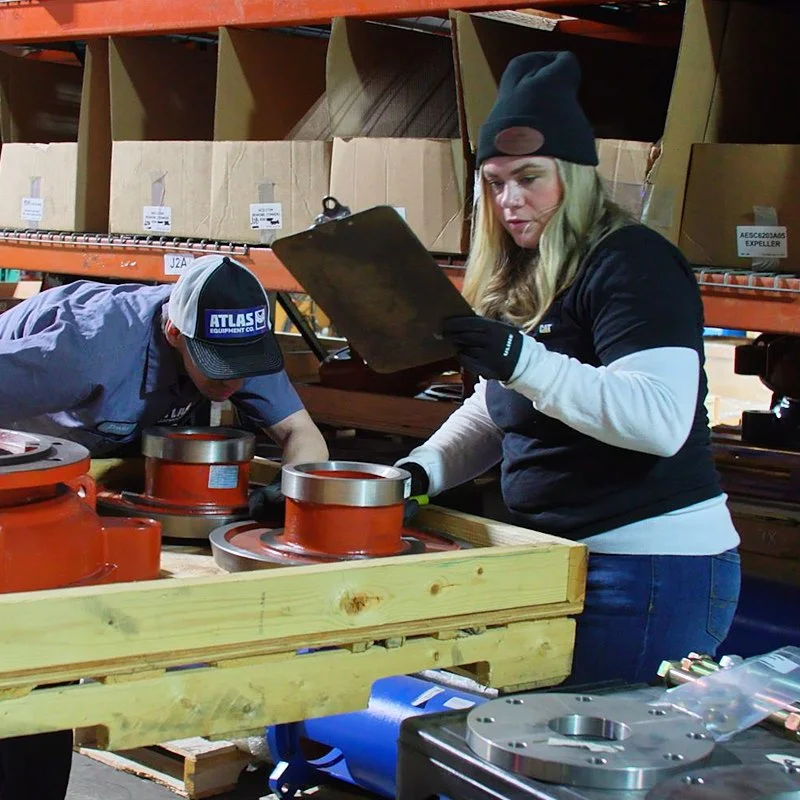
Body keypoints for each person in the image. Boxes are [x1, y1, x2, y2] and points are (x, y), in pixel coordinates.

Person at [397, 51, 741, 687]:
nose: (509, 200)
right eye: (495, 183)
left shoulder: (631, 263)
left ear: (576, 175)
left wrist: (524, 360)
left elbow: (660, 420)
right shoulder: (525, 268)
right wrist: (417, 474)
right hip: (553, 558)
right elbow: (502, 407)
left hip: (647, 569)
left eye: (529, 178)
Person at [0, 253, 329, 799]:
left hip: (85, 477)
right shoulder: (84, 352)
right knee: (20, 654)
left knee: (53, 671)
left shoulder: (235, 336)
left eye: (243, 360)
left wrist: (298, 499)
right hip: (23, 465)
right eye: (217, 364)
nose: (235, 378)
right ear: (176, 332)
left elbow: (301, 432)